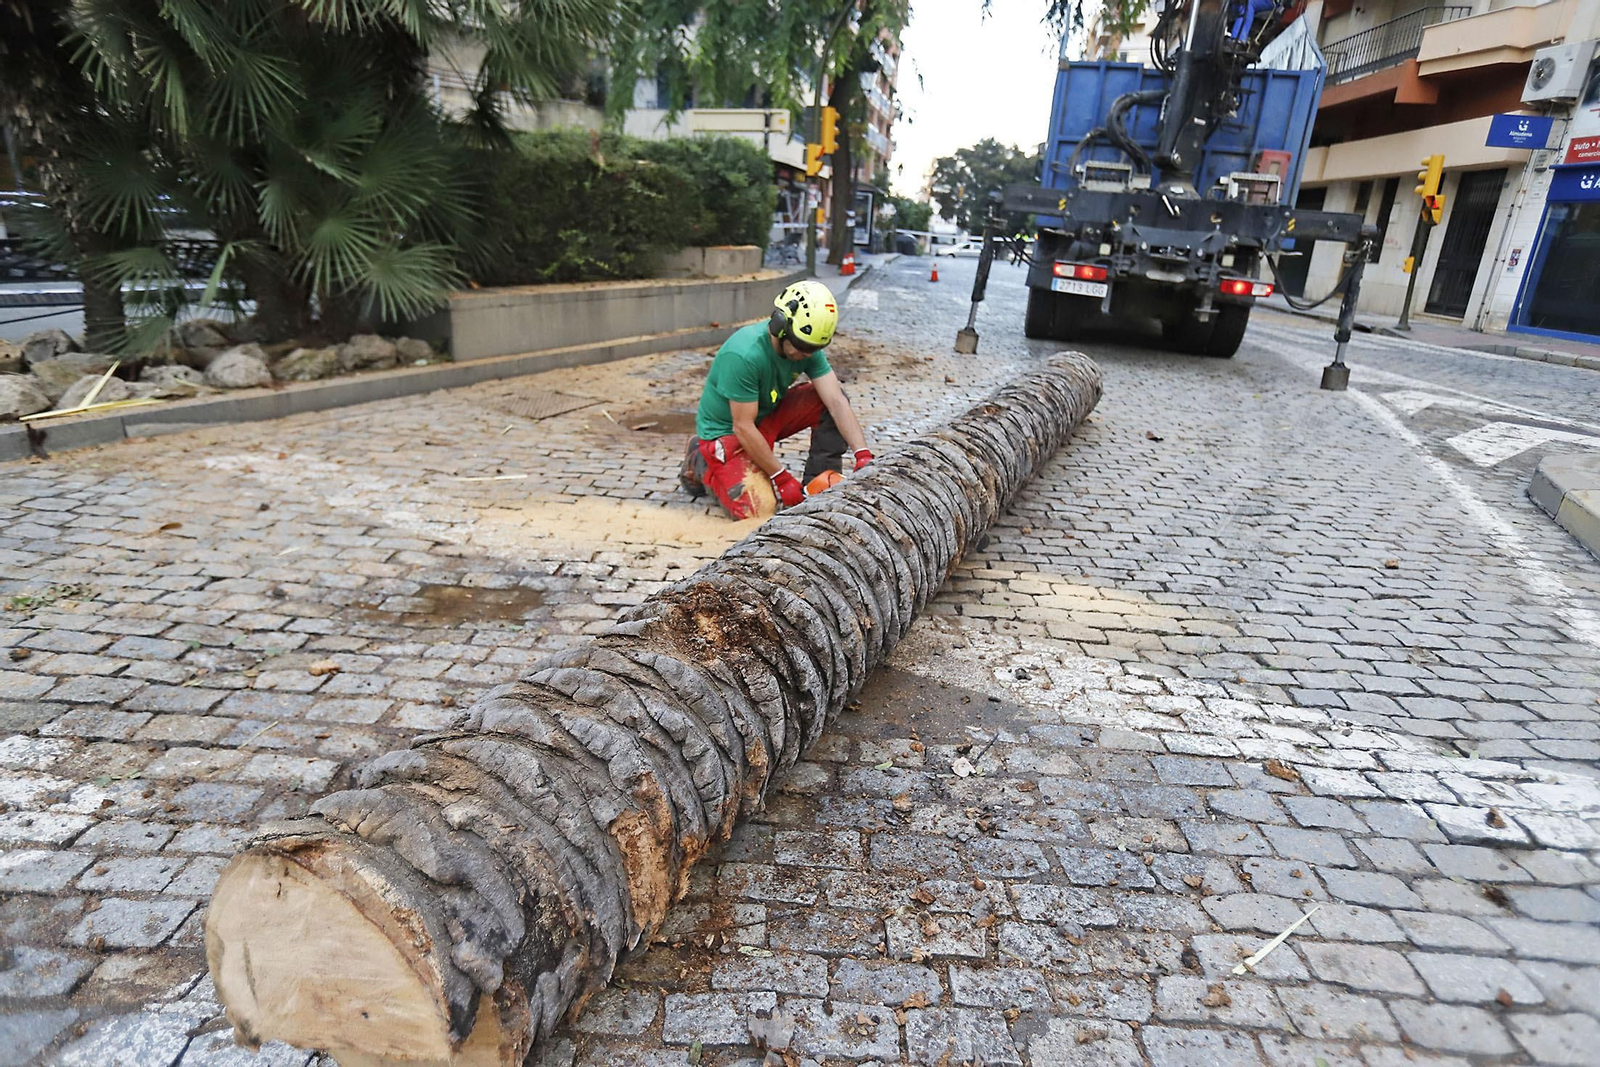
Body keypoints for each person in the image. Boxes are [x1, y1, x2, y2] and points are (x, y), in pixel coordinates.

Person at [679, 279, 872, 519]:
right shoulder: (744, 355)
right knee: (758, 509)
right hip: (729, 433)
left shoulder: (806, 347)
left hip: (764, 415)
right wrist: (781, 477)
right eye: (802, 346)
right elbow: (743, 427)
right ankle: (699, 462)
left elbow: (836, 402)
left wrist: (863, 454)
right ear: (779, 326)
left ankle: (818, 485)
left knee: (830, 397)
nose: (807, 355)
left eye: (813, 348)